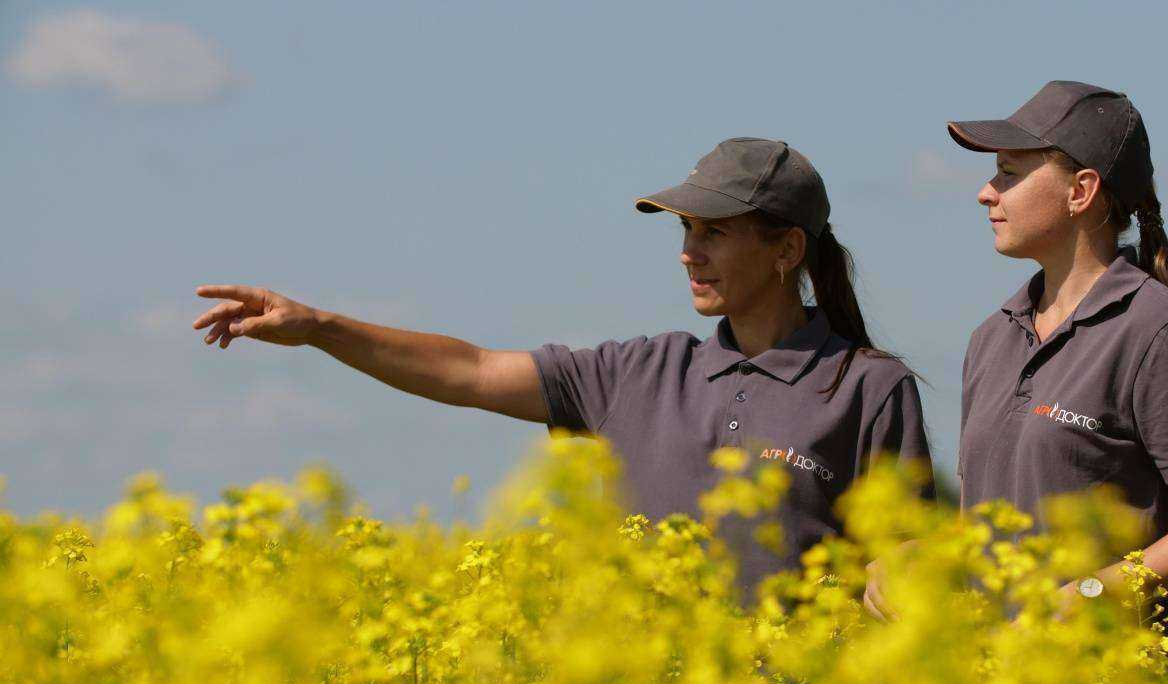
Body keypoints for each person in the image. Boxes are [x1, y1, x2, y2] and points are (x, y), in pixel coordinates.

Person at [192, 137, 935, 603]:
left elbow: (900, 550)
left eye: (715, 232)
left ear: (786, 251)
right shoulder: (636, 374)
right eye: (685, 230)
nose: (689, 251)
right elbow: (471, 371)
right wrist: (321, 327)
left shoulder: (867, 386)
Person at [864, 82, 1168, 626]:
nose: (986, 192)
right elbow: (990, 520)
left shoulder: (1157, 329)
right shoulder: (991, 338)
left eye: (1008, 173)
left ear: (1081, 190)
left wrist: (1091, 596)